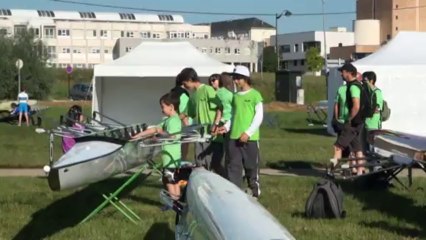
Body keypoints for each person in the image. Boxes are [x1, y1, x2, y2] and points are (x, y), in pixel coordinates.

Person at [219, 65, 264, 199]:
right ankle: (235, 193)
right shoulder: (235, 96)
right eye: (234, 79)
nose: (235, 81)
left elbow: (258, 117)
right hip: (234, 137)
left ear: (245, 79)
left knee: (251, 165)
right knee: (234, 167)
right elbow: (233, 115)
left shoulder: (255, 95)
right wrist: (226, 127)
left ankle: (254, 191)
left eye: (238, 78)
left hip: (250, 138)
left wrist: (248, 133)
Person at [131, 92, 182, 205]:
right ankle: (176, 202)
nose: (162, 110)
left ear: (171, 107)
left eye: (163, 107)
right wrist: (138, 136)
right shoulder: (167, 120)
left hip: (171, 157)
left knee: (170, 180)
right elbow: (154, 129)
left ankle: (174, 203)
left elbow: (173, 136)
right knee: (172, 180)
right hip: (169, 157)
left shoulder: (174, 120)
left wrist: (160, 133)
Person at [181, 68, 223, 174]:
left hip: (211, 136)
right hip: (199, 136)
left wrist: (216, 124)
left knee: (213, 166)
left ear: (190, 79)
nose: (184, 86)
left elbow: (220, 107)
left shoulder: (208, 90)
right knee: (200, 164)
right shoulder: (193, 96)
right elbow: (185, 114)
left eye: (185, 83)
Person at [330, 63, 365, 175]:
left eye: (343, 71)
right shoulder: (357, 85)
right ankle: (360, 172)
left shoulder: (353, 87)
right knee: (357, 148)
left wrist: (349, 118)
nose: (341, 73)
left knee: (338, 146)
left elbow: (356, 105)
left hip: (352, 123)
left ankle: (332, 172)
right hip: (358, 122)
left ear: (349, 72)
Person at [171, 73, 191, 160]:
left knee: (173, 150)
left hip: (172, 125)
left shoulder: (172, 92)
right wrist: (188, 128)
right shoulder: (183, 95)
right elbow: (184, 112)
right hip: (182, 127)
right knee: (183, 153)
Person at [362, 71, 383, 152]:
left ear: (371, 81)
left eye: (364, 80)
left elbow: (377, 109)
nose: (363, 83)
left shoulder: (377, 92)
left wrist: (367, 112)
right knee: (367, 144)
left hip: (373, 123)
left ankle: (375, 162)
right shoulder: (367, 92)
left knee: (373, 145)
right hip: (366, 122)